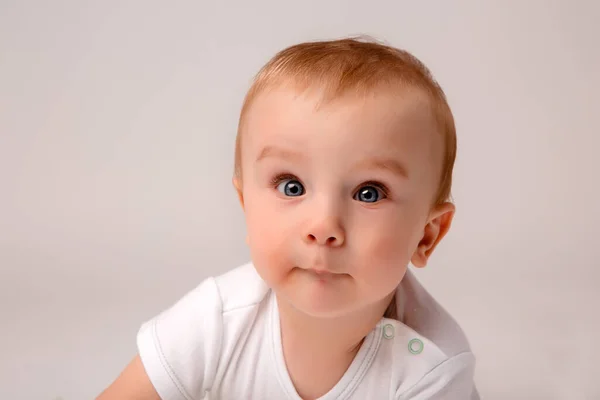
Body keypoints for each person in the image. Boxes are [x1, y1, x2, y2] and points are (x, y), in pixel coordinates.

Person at [98, 36, 479, 400]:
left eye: (369, 193)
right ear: (246, 205)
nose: (323, 227)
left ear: (427, 236)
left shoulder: (431, 366)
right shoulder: (218, 318)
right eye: (292, 186)